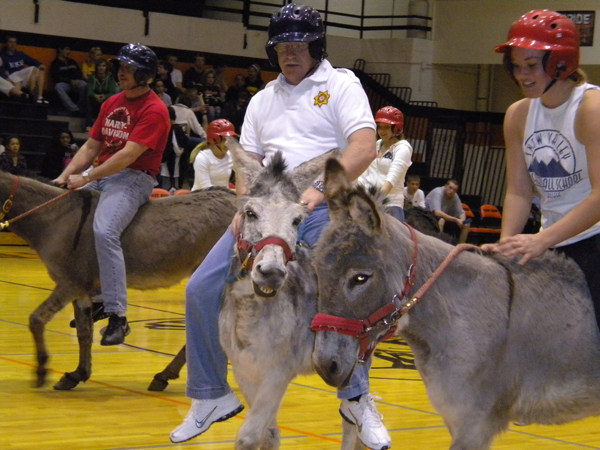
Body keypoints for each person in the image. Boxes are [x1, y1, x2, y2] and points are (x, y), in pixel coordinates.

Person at [170, 5, 392, 450]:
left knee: (339, 294)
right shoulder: (262, 99)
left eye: (299, 45)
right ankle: (211, 395)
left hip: (317, 204)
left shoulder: (341, 83)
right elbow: (244, 170)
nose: (290, 54)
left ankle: (356, 398)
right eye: (282, 47)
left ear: (316, 46)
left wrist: (316, 193)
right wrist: (242, 211)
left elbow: (364, 148)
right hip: (265, 207)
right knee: (200, 288)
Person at [486, 10, 600, 327]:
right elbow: (518, 191)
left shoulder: (591, 108)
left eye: (532, 65)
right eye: (516, 66)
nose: (522, 74)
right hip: (554, 241)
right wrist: (506, 244)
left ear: (560, 64)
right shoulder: (518, 115)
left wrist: (541, 240)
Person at [52, 43, 170, 346]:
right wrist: (64, 177)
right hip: (104, 173)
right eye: (121, 67)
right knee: (64, 219)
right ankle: (99, 297)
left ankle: (118, 316)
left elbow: (128, 156)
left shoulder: (154, 109)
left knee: (105, 230)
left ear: (144, 74)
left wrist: (87, 176)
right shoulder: (113, 102)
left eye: (128, 68)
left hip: (134, 177)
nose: (121, 72)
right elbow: (92, 146)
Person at [358, 105, 412, 222]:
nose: (382, 131)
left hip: (390, 204)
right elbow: (364, 173)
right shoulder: (377, 144)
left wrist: (374, 203)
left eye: (386, 127)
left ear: (396, 128)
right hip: (368, 201)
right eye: (380, 127)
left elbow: (391, 180)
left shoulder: (403, 148)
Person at [190, 119, 236, 191]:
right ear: (214, 140)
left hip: (223, 197)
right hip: (201, 197)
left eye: (230, 139)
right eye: (224, 139)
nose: (228, 143)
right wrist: (231, 192)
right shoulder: (202, 158)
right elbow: (206, 188)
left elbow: (242, 174)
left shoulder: (230, 155)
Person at [0, 35, 47, 103]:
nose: (12, 44)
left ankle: (38, 97)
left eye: (14, 42)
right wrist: (6, 77)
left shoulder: (20, 54)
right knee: (33, 69)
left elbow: (31, 60)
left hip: (21, 76)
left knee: (39, 71)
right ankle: (34, 96)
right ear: (6, 43)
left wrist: (40, 65)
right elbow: (1, 69)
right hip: (12, 76)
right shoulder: (2, 55)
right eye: (10, 42)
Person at [50, 45, 88, 117]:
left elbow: (79, 73)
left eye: (69, 50)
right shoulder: (55, 63)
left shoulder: (72, 62)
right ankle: (74, 109)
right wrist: (69, 81)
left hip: (76, 82)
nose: (68, 52)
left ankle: (80, 108)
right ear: (60, 50)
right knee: (58, 87)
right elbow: (56, 77)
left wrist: (75, 80)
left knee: (85, 85)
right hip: (65, 83)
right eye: (66, 49)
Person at [159, 106, 189, 192]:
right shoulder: (177, 129)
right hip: (174, 166)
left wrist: (161, 160)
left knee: (168, 191)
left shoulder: (174, 130)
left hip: (171, 165)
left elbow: (177, 149)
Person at [85, 58, 119, 130]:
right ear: (96, 67)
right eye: (99, 66)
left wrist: (105, 96)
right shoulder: (92, 77)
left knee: (113, 99)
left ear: (106, 67)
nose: (101, 68)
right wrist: (95, 96)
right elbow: (90, 91)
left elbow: (112, 92)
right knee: (88, 99)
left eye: (103, 66)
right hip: (95, 98)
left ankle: (107, 125)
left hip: (105, 98)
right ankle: (88, 124)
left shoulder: (110, 77)